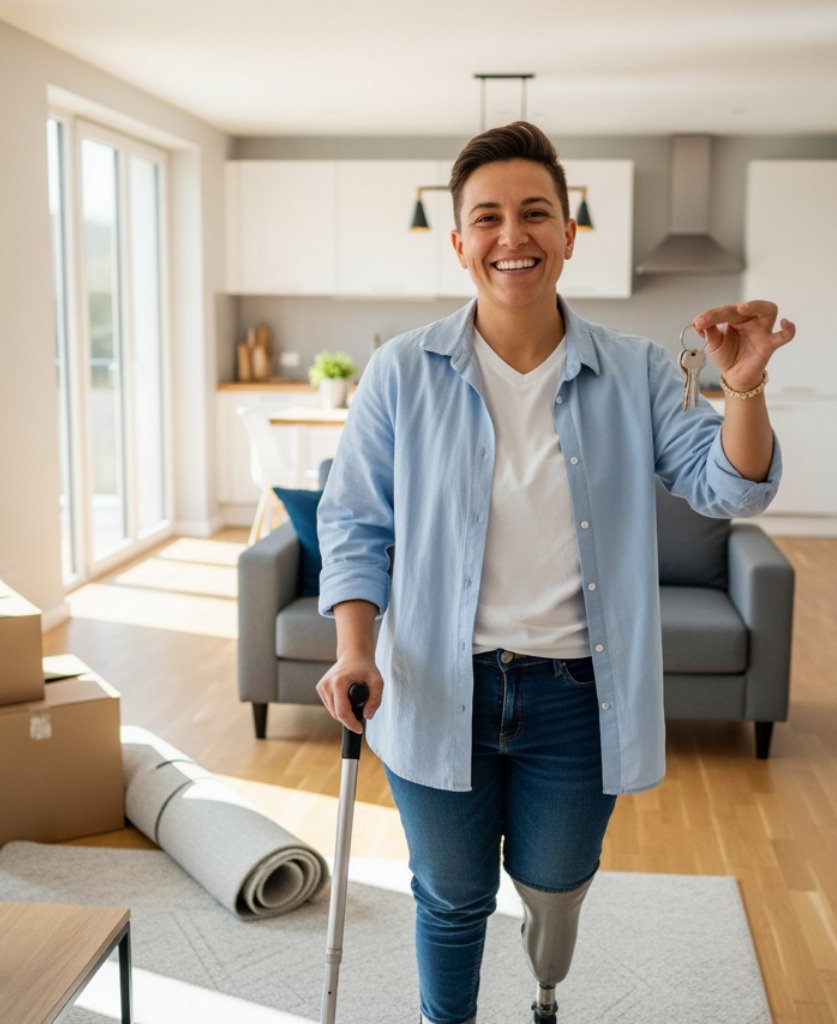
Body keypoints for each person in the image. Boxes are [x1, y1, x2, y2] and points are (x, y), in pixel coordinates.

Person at [315, 121, 791, 1024]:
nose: (512, 235)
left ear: (570, 232)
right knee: (450, 898)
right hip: (434, 684)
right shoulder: (399, 374)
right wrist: (354, 649)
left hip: (579, 697)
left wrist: (745, 388)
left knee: (557, 881)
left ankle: (543, 985)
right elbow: (352, 523)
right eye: (487, 218)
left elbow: (730, 488)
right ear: (458, 244)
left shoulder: (639, 372)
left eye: (536, 212)